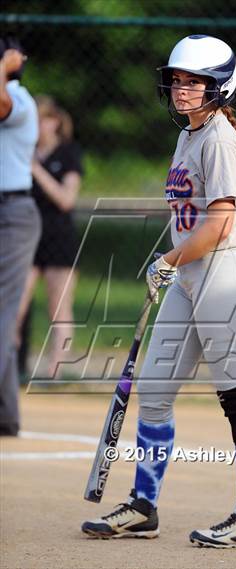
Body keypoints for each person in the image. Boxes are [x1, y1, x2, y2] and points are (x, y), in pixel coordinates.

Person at [82, 35, 236, 549]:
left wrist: (166, 259)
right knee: (156, 391)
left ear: (220, 87)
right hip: (192, 278)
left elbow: (218, 223)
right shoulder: (190, 134)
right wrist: (175, 266)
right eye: (178, 81)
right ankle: (144, 506)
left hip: (223, 274)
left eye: (196, 83)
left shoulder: (219, 140)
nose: (183, 90)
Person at [16, 96, 83, 378]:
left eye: (42, 119)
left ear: (55, 122)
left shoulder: (68, 153)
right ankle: (9, 366)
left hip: (59, 238)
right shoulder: (22, 151)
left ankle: (55, 371)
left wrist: (36, 170)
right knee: (14, 305)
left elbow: (66, 199)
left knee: (58, 307)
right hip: (26, 238)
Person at [0, 37, 41, 437]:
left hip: (12, 213)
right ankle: (6, 414)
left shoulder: (19, 97)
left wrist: (5, 68)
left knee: (2, 312)